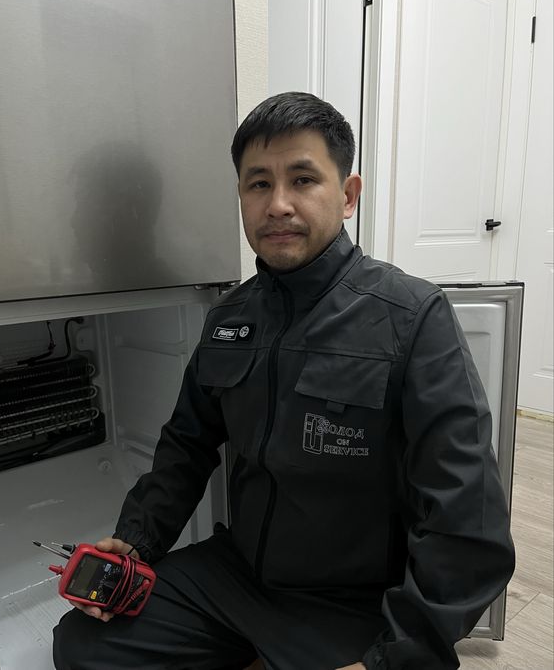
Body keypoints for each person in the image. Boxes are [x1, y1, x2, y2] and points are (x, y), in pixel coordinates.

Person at [53, 92, 515, 670]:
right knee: (83, 645)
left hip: (354, 599)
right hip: (238, 574)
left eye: (303, 179)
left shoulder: (412, 316)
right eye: (258, 184)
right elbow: (186, 447)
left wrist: (394, 658)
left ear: (348, 195)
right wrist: (135, 542)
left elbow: (467, 517)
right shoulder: (229, 318)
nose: (277, 205)